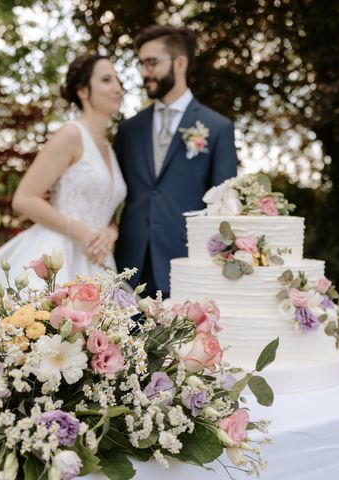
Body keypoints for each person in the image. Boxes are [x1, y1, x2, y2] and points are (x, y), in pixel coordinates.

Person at [0, 54, 126, 311]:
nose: (118, 87)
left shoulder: (109, 146)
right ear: (83, 91)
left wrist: (111, 232)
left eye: (118, 80)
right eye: (107, 80)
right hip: (59, 255)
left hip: (98, 260)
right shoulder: (71, 135)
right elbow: (24, 198)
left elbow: (106, 207)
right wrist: (82, 233)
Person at [114, 25, 238, 299]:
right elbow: (112, 191)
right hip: (129, 265)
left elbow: (224, 209)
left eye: (151, 63)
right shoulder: (128, 130)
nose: (144, 72)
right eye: (141, 64)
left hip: (187, 262)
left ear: (179, 63)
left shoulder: (217, 128)